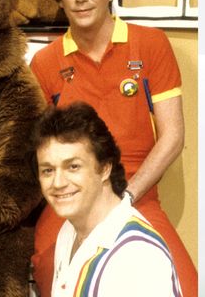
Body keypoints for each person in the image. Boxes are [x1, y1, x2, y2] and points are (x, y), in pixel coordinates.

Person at [29, 0, 197, 297]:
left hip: (138, 192)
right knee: (49, 271)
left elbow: (173, 136)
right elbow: (44, 149)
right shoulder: (45, 62)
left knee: (187, 284)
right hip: (73, 194)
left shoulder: (150, 45)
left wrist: (128, 198)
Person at [32, 102, 182, 296]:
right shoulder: (69, 232)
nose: (58, 182)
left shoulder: (137, 255)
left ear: (104, 168)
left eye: (73, 166)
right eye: (48, 170)